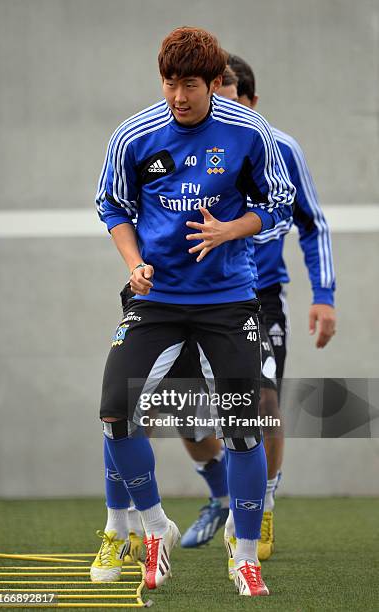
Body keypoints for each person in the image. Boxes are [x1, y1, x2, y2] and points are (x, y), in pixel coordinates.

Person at [91, 27, 295, 597]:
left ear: (212, 83)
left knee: (243, 427)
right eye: (169, 83)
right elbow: (112, 205)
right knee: (115, 410)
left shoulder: (248, 133)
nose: (178, 96)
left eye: (189, 85)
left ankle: (245, 554)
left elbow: (277, 202)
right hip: (155, 300)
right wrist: (134, 262)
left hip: (228, 302)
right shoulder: (134, 135)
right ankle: (154, 526)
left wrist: (232, 229)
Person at [179, 56, 336, 569]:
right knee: (182, 413)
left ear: (251, 101)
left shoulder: (278, 148)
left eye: (228, 94)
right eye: (212, 94)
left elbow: (312, 223)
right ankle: (224, 495)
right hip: (187, 297)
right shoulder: (184, 143)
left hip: (258, 297)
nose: (218, 105)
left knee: (260, 402)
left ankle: (260, 506)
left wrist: (324, 296)